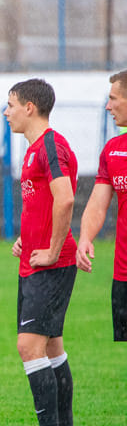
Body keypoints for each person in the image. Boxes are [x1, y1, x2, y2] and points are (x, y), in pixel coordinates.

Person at [3, 78, 80, 426]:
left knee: (28, 346)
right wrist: (25, 237)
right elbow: (46, 203)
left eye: (11, 104)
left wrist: (50, 250)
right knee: (51, 347)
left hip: (49, 266)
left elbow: (66, 198)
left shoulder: (50, 144)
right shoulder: (36, 148)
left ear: (30, 107)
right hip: (34, 261)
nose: (7, 111)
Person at [77, 70, 127, 344]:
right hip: (122, 274)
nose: (108, 106)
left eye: (114, 99)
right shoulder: (113, 150)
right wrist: (85, 238)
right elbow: (98, 204)